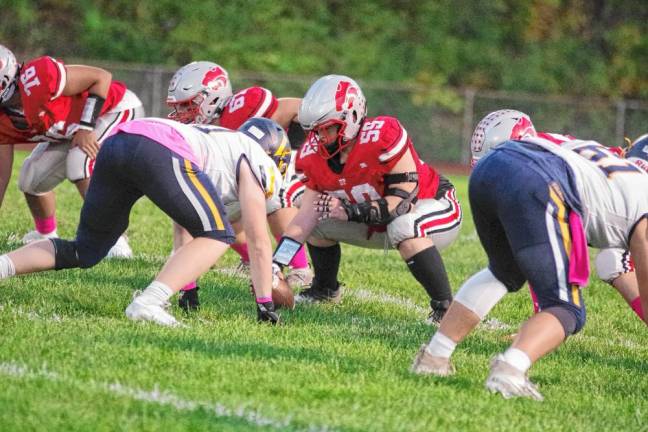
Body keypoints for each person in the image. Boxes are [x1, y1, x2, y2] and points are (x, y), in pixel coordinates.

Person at [411, 132, 648, 400]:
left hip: (494, 164)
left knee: (504, 272)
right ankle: (510, 370)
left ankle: (434, 358)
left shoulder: (617, 169)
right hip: (539, 182)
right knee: (565, 308)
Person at [0, 117, 286, 326]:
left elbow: (184, 222)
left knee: (86, 249)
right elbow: (258, 241)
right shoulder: (259, 159)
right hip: (157, 148)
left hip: (119, 142)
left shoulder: (221, 142)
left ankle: (3, 265)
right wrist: (265, 304)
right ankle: (148, 303)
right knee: (218, 233)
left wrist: (187, 287)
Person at [270, 74, 462, 323]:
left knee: (404, 226)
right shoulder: (313, 156)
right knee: (316, 217)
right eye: (314, 131)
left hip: (433, 206)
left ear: (351, 117)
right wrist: (276, 264)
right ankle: (325, 289)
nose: (321, 138)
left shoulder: (383, 134)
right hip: (376, 218)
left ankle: (445, 310)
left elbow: (401, 202)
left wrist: (350, 211)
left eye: (327, 128)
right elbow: (303, 219)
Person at [471, 109, 643, 320]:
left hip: (632, 196)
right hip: (617, 196)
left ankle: (551, 316)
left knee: (614, 262)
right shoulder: (540, 148)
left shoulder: (538, 162)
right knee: (610, 263)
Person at [166, 61, 311, 310]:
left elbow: (294, 107)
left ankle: (301, 268)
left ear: (212, 99)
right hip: (255, 169)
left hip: (289, 160)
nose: (181, 113)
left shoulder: (241, 109)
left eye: (187, 105)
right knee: (220, 213)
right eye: (178, 107)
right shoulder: (206, 131)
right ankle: (252, 261)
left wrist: (299, 145)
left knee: (275, 198)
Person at [0, 44, 144, 257]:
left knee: (79, 162)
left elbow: (101, 77)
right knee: (30, 178)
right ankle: (45, 235)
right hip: (73, 130)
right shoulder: (4, 119)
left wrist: (86, 127)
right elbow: (1, 175)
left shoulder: (38, 76)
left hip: (115, 109)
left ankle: (115, 240)